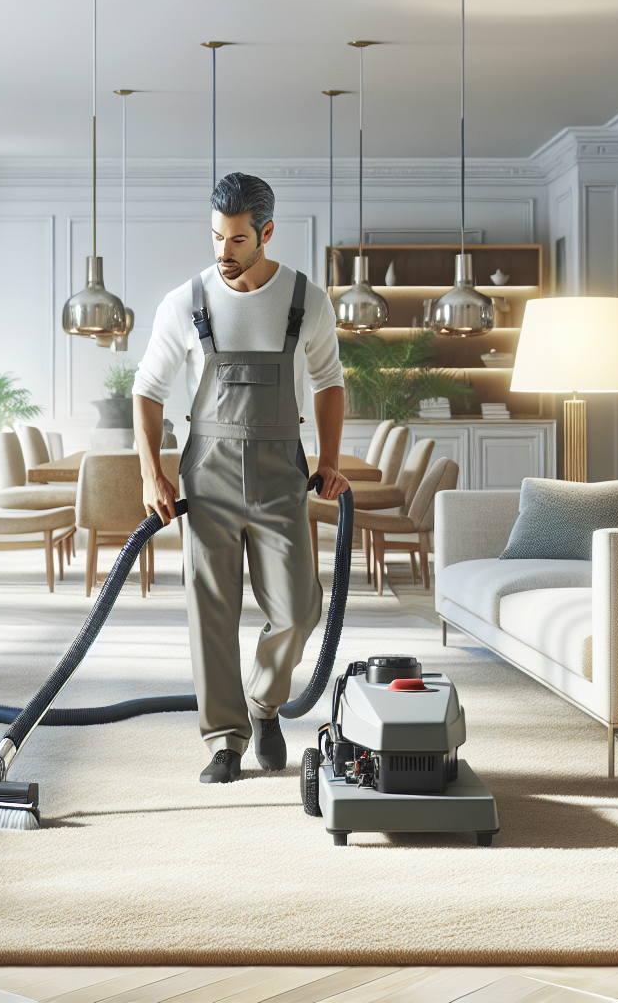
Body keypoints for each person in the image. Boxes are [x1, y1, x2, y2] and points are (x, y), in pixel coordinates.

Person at [133, 172, 349, 784]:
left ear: (266, 233)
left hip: (284, 474)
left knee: (300, 608)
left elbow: (330, 382)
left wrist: (329, 459)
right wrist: (153, 474)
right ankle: (224, 740)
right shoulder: (186, 301)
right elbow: (146, 391)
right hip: (210, 475)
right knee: (211, 610)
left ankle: (263, 703)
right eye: (215, 238)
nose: (222, 253)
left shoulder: (305, 300)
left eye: (235, 241)